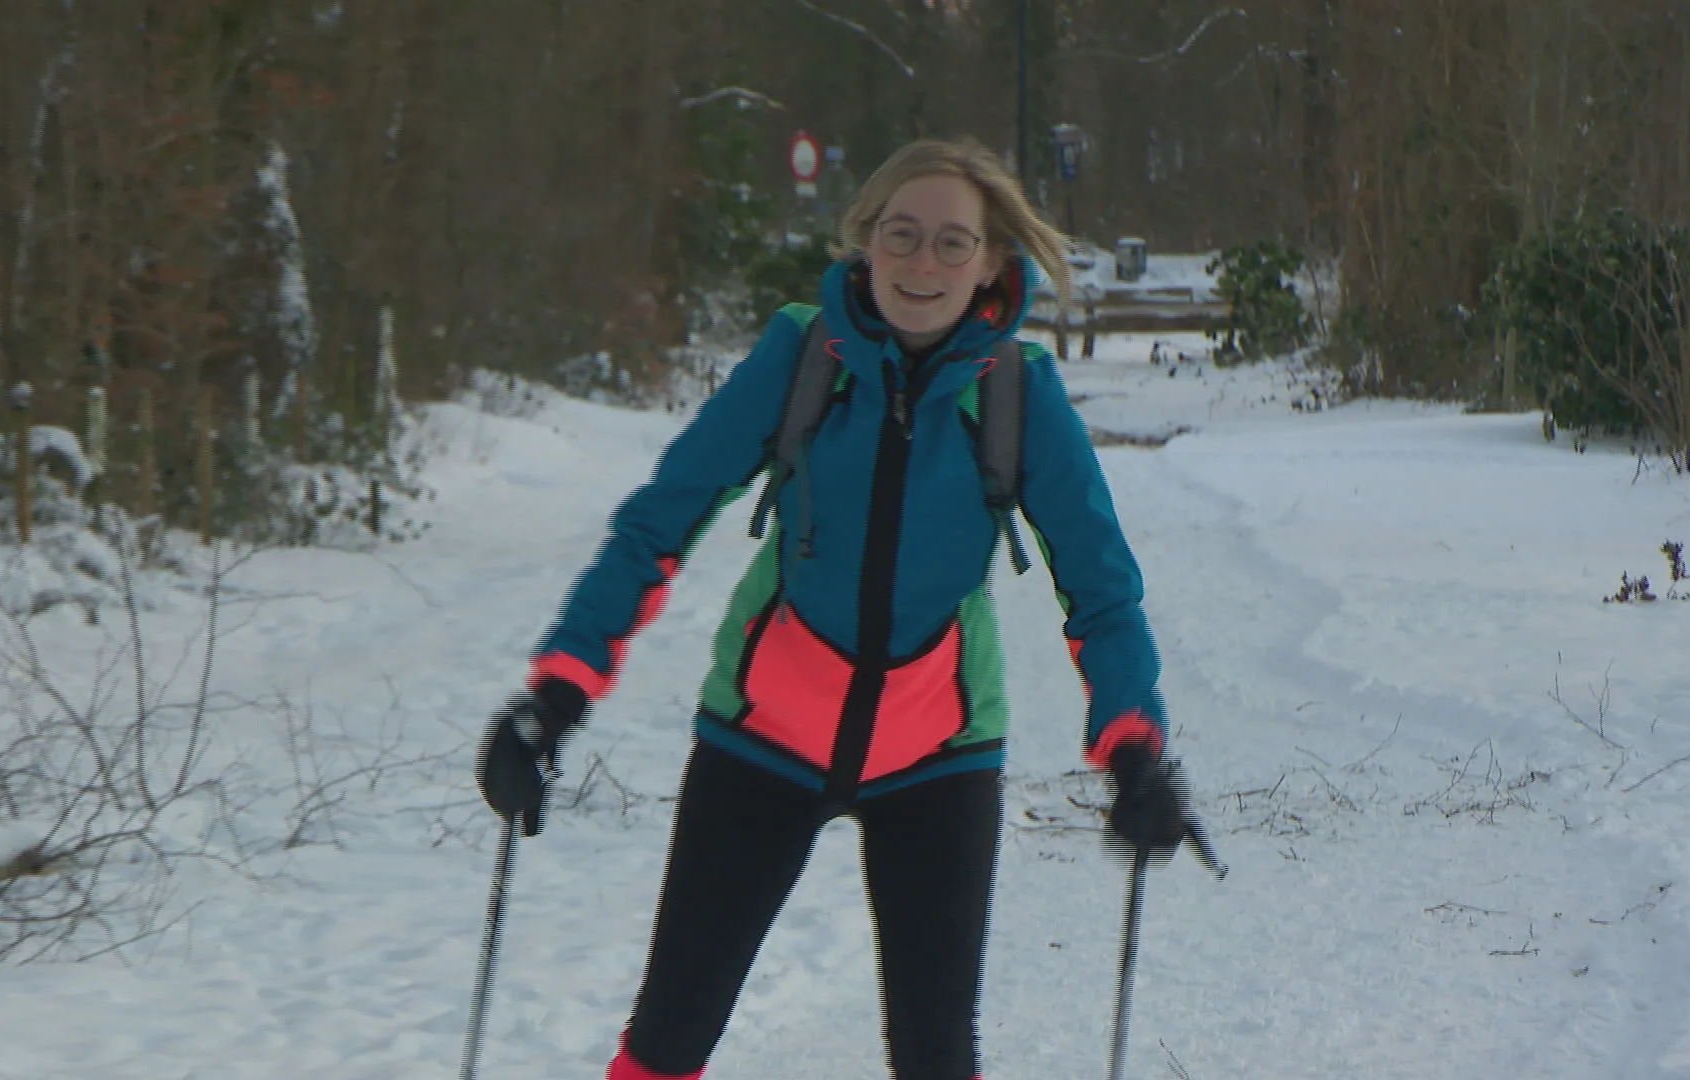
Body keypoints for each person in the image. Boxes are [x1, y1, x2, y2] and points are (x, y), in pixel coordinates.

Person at [478, 136, 1191, 1080]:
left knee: (938, 1055)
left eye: (951, 242)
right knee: (669, 1036)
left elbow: (1101, 589)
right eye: (902, 234)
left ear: (991, 264)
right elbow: (660, 523)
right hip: (759, 741)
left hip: (938, 757)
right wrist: (557, 692)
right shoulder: (799, 356)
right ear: (864, 243)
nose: (923, 262)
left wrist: (1134, 746)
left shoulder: (1019, 394)